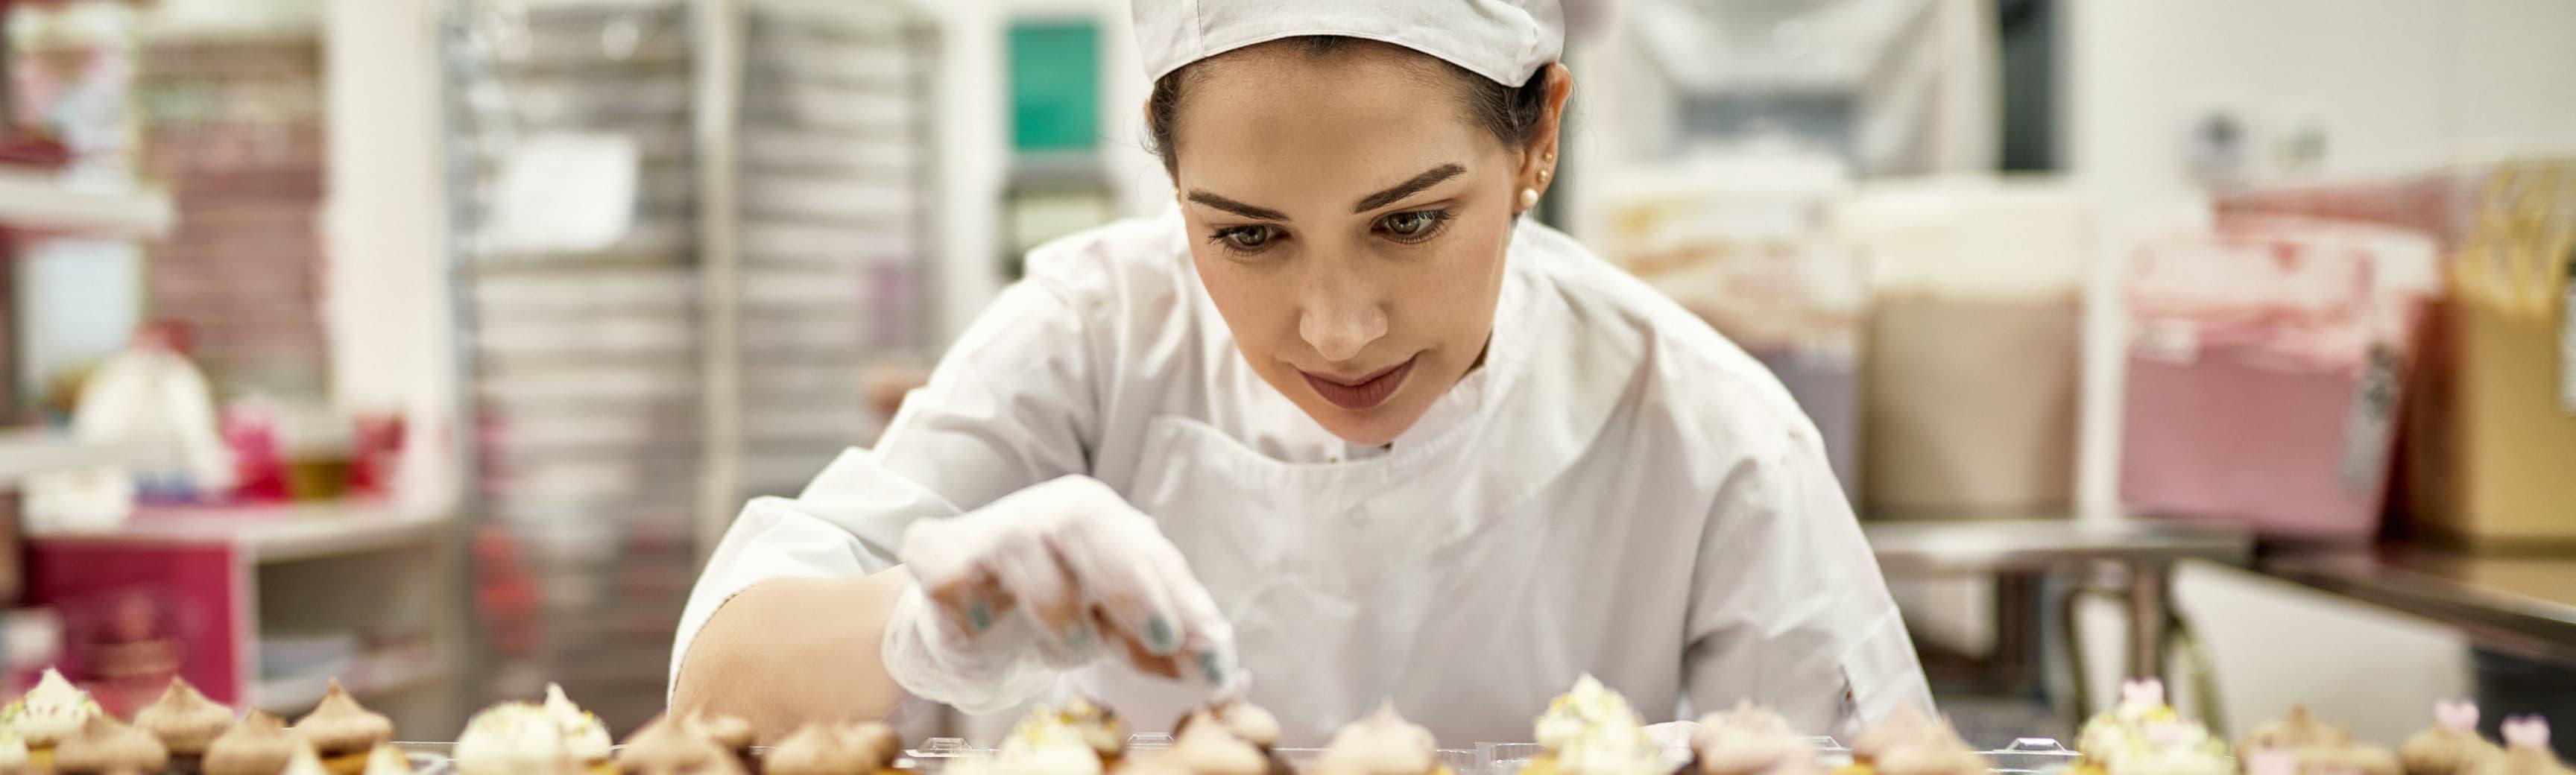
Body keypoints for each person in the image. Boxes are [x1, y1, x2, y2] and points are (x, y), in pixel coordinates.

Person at [670, 0, 1931, 744]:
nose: (1335, 328)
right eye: (1248, 236)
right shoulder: (1092, 340)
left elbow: (1885, 754)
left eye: (1409, 222)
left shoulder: (1711, 445)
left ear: (1540, 134)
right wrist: (917, 626)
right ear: (1171, 182)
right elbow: (712, 695)